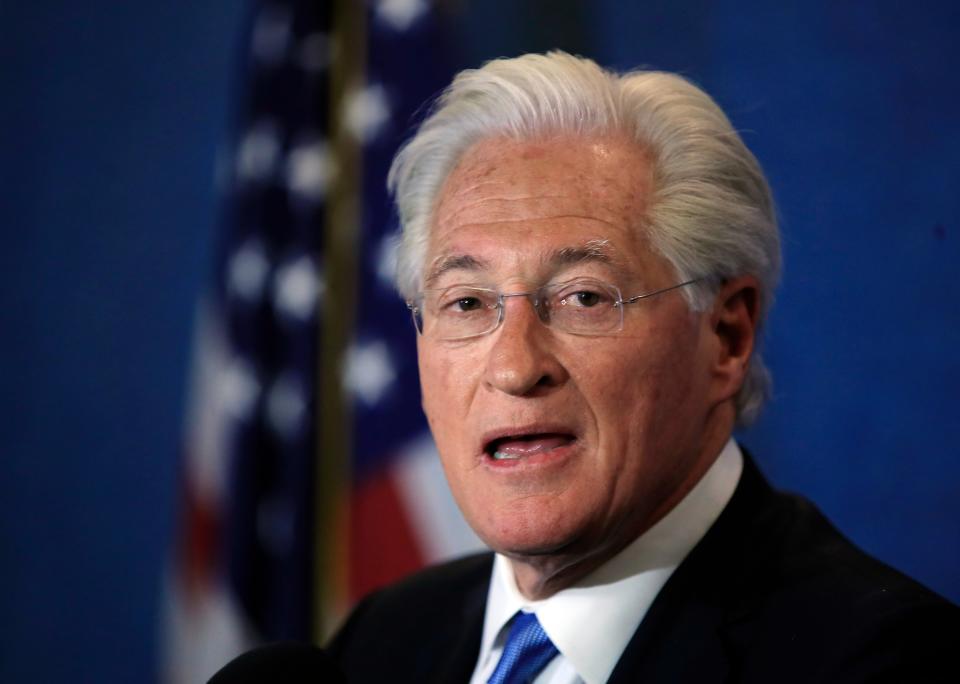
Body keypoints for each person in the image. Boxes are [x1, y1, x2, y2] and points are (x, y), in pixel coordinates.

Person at [214, 52, 958, 683]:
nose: (514, 367)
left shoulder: (883, 660)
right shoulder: (383, 644)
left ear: (727, 336)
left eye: (582, 297)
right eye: (467, 303)